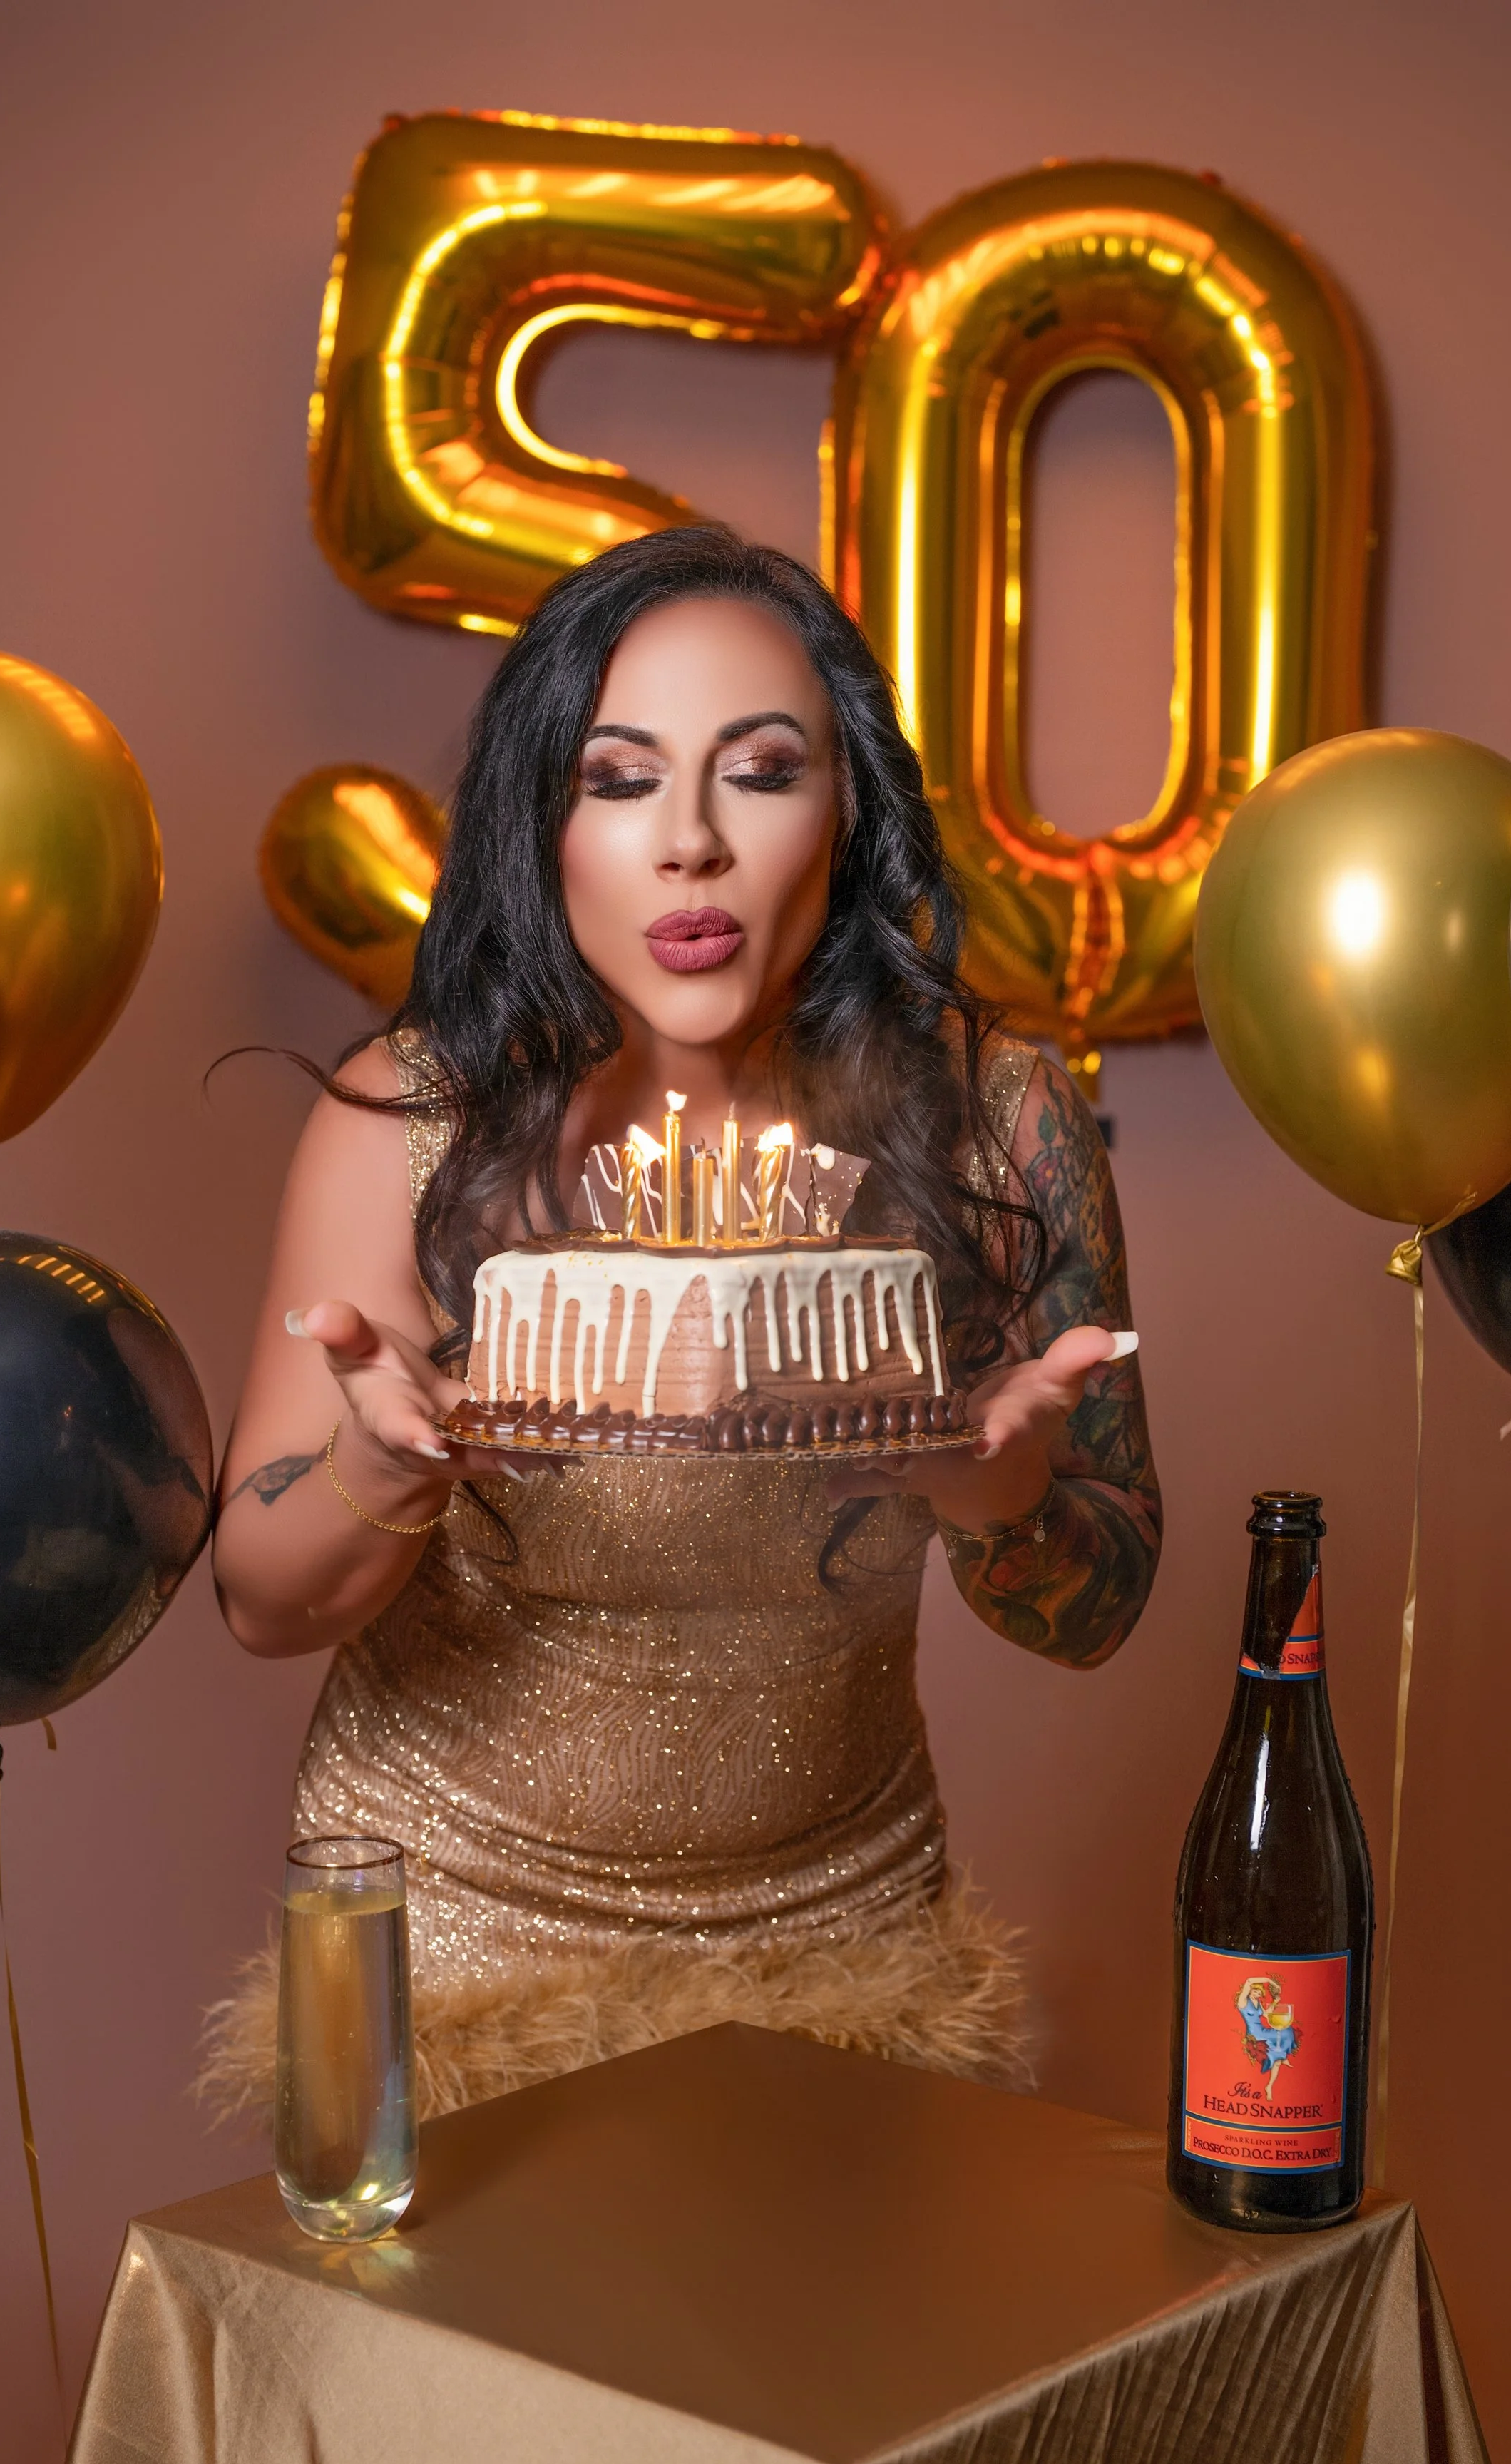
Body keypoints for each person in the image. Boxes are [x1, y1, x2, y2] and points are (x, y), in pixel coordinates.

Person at [206, 528, 1160, 2117]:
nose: (691, 846)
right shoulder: (414, 1115)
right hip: (448, 1963)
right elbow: (258, 1599)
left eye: (762, 771)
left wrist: (999, 1498)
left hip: (849, 1948)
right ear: (546, 825)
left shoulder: (1000, 1124)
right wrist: (384, 1471)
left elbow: (1104, 1603)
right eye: (621, 778)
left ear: (847, 811)